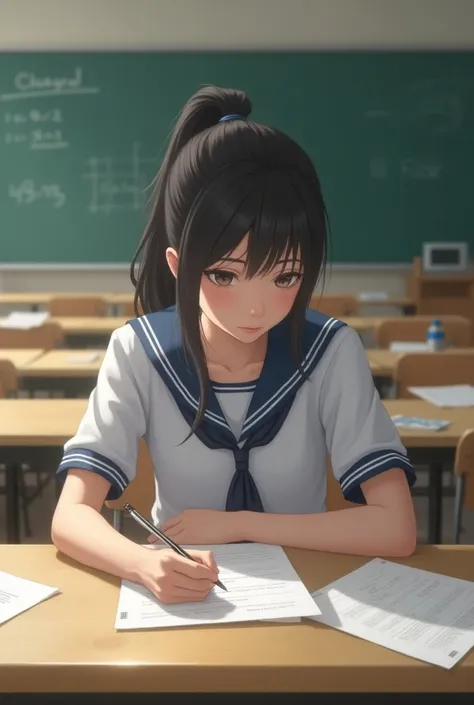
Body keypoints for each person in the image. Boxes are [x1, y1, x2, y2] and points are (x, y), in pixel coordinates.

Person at [51, 85, 417, 605]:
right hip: (183, 595)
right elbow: (70, 515)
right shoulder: (139, 351)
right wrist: (141, 562)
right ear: (179, 267)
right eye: (224, 276)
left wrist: (238, 524)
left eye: (285, 277)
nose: (256, 308)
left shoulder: (331, 352)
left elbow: (396, 528)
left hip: (314, 594)